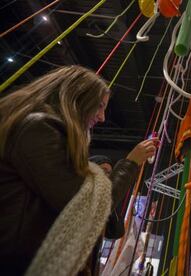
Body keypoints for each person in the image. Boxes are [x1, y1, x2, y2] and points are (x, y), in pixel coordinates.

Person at [0, 65, 159, 275]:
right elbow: (82, 205)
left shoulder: (40, 130)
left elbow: (112, 227)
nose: (102, 117)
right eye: (100, 106)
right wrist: (130, 163)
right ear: (78, 98)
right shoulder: (37, 128)